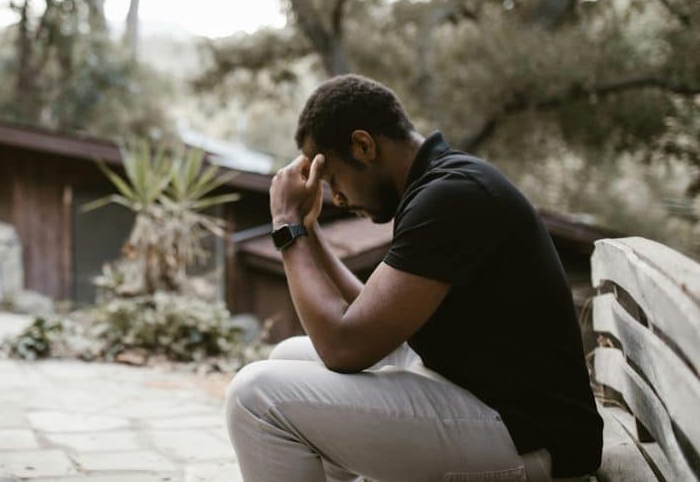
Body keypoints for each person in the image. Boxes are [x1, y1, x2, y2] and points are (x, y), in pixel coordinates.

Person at [225, 74, 602, 481]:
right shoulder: (439, 184)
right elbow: (365, 317)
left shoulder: (451, 196)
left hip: (531, 437)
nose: (336, 197)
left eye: (332, 178)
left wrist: (286, 226)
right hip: (484, 398)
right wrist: (309, 230)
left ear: (363, 146)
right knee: (288, 357)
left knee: (256, 396)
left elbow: (344, 347)